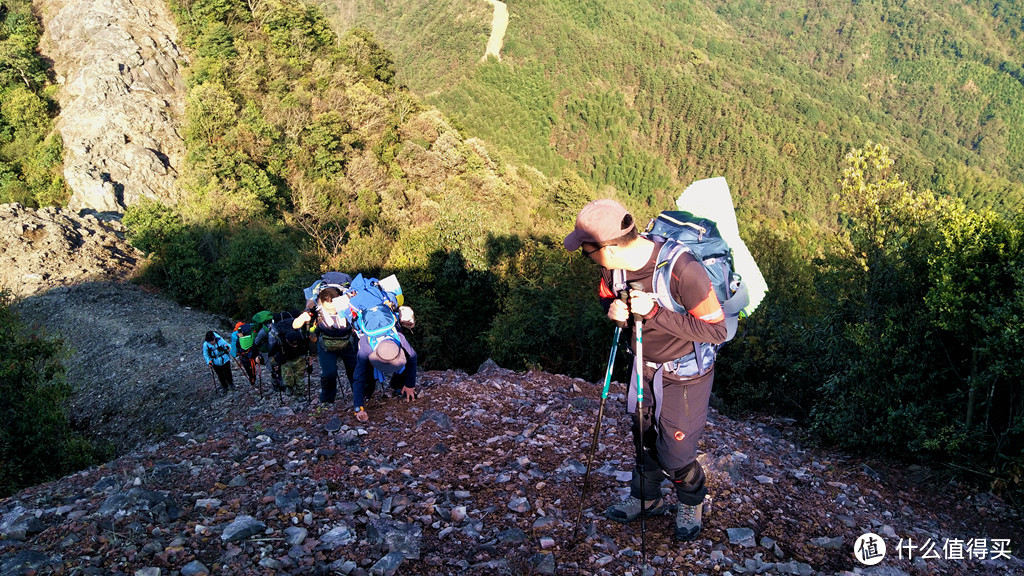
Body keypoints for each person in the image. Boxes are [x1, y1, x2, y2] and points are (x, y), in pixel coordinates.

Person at [564, 198, 727, 542]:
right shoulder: (612, 269)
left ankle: (691, 500)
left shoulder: (683, 270)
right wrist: (613, 310)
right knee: (643, 438)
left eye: (586, 250)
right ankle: (647, 498)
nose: (587, 256)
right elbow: (607, 297)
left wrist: (655, 314)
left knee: (676, 455)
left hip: (686, 374)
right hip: (642, 364)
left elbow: (717, 331)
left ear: (607, 248)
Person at [293, 285, 358, 405]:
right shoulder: (315, 308)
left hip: (348, 342)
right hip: (326, 344)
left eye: (334, 308)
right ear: (321, 303)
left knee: (354, 370)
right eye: (328, 309)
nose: (332, 311)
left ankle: (360, 396)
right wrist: (303, 317)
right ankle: (327, 400)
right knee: (329, 373)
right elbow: (295, 325)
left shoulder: (348, 303)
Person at [351, 332, 417, 422]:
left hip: (390, 346)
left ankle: (398, 385)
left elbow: (412, 357)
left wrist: (409, 385)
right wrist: (358, 408)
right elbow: (358, 377)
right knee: (367, 372)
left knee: (403, 362)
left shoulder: (400, 337)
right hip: (370, 346)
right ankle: (366, 393)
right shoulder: (365, 348)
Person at [253, 312, 311, 394]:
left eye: (295, 344)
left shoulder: (295, 337)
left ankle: (293, 389)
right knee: (283, 373)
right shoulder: (278, 338)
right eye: (293, 344)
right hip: (280, 356)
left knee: (296, 375)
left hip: (289, 356)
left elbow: (307, 349)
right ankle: (283, 386)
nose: (294, 346)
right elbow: (268, 350)